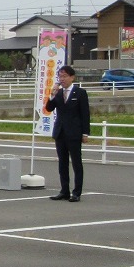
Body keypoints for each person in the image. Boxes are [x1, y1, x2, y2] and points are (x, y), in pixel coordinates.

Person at [45, 64, 90, 202]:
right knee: (62, 163)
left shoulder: (80, 93)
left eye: (64, 76)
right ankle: (64, 190)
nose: (62, 79)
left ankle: (76, 192)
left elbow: (85, 114)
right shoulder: (57, 92)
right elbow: (49, 108)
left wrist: (85, 133)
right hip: (60, 132)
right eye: (60, 76)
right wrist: (52, 95)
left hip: (74, 133)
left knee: (76, 163)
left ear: (72, 77)